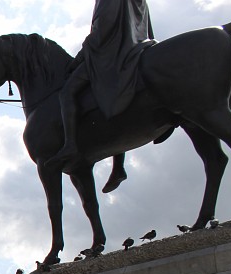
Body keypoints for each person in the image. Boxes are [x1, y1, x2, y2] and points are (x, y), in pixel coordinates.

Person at [49, 0, 155, 187]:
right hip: (136, 48)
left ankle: (70, 145)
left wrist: (77, 60)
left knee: (67, 92)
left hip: (111, 55)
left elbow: (101, 32)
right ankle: (118, 166)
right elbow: (147, 29)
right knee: (112, 96)